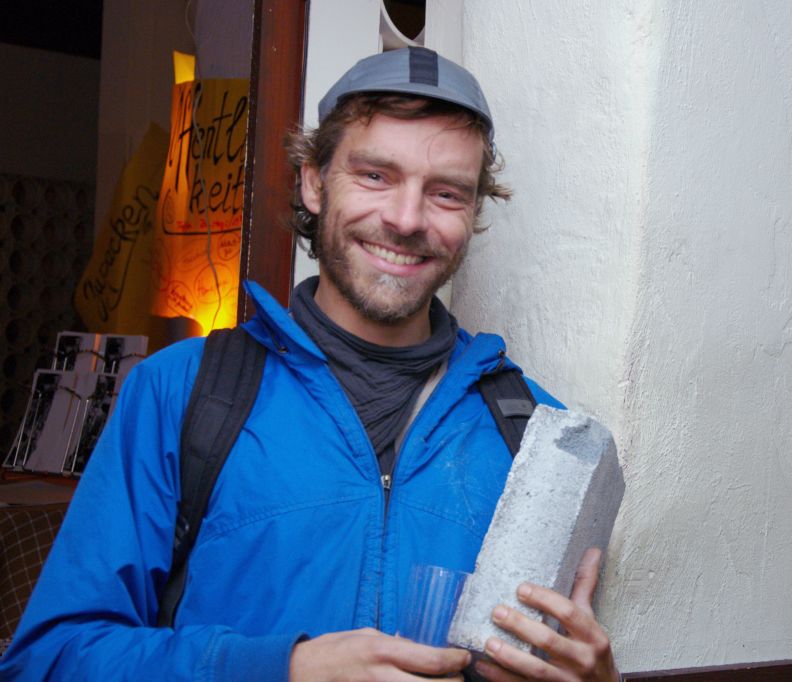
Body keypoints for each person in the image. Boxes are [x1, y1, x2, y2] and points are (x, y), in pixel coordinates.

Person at [0, 48, 618, 682]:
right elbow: (50, 660)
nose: (406, 219)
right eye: (375, 175)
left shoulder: (535, 433)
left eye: (446, 193)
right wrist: (284, 667)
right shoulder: (181, 393)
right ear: (314, 183)